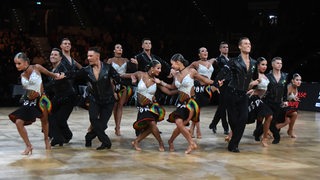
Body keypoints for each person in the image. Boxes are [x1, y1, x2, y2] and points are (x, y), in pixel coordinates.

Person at [67, 47, 122, 150]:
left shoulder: (108, 67)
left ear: (98, 56)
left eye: (91, 56)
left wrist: (116, 92)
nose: (88, 58)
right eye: (88, 56)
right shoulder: (86, 70)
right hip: (94, 99)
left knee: (102, 124)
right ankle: (106, 141)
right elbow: (74, 75)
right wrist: (62, 75)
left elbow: (118, 79)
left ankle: (89, 137)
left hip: (108, 100)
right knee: (93, 119)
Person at [8, 52, 63, 155]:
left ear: (26, 62)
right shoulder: (22, 75)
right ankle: (29, 146)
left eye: (19, 63)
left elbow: (50, 74)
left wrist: (58, 76)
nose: (17, 66)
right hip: (29, 101)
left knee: (44, 121)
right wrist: (27, 96)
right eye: (16, 64)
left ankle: (46, 140)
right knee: (18, 122)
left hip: (41, 100)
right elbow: (28, 90)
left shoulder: (36, 67)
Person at [165, 53, 218, 154]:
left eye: (172, 64)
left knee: (179, 123)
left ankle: (191, 143)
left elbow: (204, 80)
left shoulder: (191, 71)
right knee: (180, 124)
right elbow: (172, 87)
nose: (171, 66)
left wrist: (216, 83)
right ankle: (171, 141)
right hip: (181, 103)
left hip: (191, 103)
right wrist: (160, 83)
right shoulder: (176, 74)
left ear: (178, 62)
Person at [213, 37, 257, 153]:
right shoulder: (233, 61)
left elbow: (256, 77)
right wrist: (217, 84)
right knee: (233, 120)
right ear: (240, 46)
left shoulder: (254, 62)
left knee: (243, 118)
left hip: (243, 95)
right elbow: (221, 74)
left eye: (249, 43)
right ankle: (233, 143)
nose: (248, 45)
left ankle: (233, 144)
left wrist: (254, 87)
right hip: (231, 93)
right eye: (246, 43)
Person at [121, 60, 177, 151]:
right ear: (152, 68)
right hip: (142, 108)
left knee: (152, 124)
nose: (160, 70)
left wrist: (182, 89)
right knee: (151, 127)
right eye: (158, 68)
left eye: (160, 69)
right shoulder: (140, 74)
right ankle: (137, 141)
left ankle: (160, 143)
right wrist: (117, 75)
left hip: (151, 108)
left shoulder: (156, 81)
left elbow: (169, 92)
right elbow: (126, 75)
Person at [225, 57, 273, 147]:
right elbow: (246, 87)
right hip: (250, 99)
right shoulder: (252, 75)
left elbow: (265, 90)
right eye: (262, 64)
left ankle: (264, 138)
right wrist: (252, 87)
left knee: (269, 116)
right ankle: (231, 135)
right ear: (257, 65)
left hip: (259, 100)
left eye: (266, 65)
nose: (265, 66)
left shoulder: (266, 76)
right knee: (243, 119)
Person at [45, 48, 79, 146]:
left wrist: (44, 87)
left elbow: (68, 75)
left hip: (68, 97)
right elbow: (52, 85)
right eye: (51, 54)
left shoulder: (63, 68)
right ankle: (64, 136)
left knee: (60, 119)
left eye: (55, 55)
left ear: (60, 58)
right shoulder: (52, 70)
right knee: (48, 114)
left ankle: (60, 137)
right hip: (59, 97)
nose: (52, 56)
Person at [105, 43, 138, 136]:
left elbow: (133, 72)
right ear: (114, 50)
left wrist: (136, 64)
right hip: (113, 84)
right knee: (114, 106)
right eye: (117, 47)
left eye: (121, 47)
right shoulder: (110, 60)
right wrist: (112, 89)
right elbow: (107, 75)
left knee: (120, 105)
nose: (120, 49)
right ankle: (113, 126)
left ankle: (118, 127)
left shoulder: (126, 60)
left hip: (124, 84)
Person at [258, 56, 289, 144]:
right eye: (277, 63)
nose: (279, 65)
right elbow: (263, 88)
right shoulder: (267, 76)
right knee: (269, 118)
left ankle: (257, 133)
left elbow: (285, 89)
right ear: (272, 64)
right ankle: (276, 137)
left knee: (273, 121)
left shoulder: (285, 76)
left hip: (278, 102)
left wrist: (285, 100)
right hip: (267, 101)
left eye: (281, 63)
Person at [188, 47, 217, 139]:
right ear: (199, 54)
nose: (205, 52)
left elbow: (216, 59)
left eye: (206, 50)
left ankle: (191, 129)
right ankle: (198, 130)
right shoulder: (195, 63)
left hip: (207, 88)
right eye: (202, 51)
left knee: (198, 108)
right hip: (198, 88)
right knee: (197, 108)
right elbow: (187, 71)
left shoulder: (211, 62)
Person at [209, 42, 230, 135]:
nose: (226, 49)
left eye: (227, 47)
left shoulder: (229, 59)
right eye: (224, 47)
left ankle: (213, 124)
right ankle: (225, 127)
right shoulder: (218, 60)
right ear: (220, 49)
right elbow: (219, 74)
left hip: (229, 85)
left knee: (222, 106)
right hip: (222, 85)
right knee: (223, 107)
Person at [276, 73, 302, 138]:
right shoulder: (288, 87)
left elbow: (290, 100)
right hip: (279, 108)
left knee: (295, 114)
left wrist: (294, 99)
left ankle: (290, 130)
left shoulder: (296, 88)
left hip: (286, 108)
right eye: (297, 80)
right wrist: (292, 99)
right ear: (292, 81)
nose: (299, 82)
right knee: (287, 120)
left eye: (300, 80)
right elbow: (282, 99)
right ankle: (271, 129)